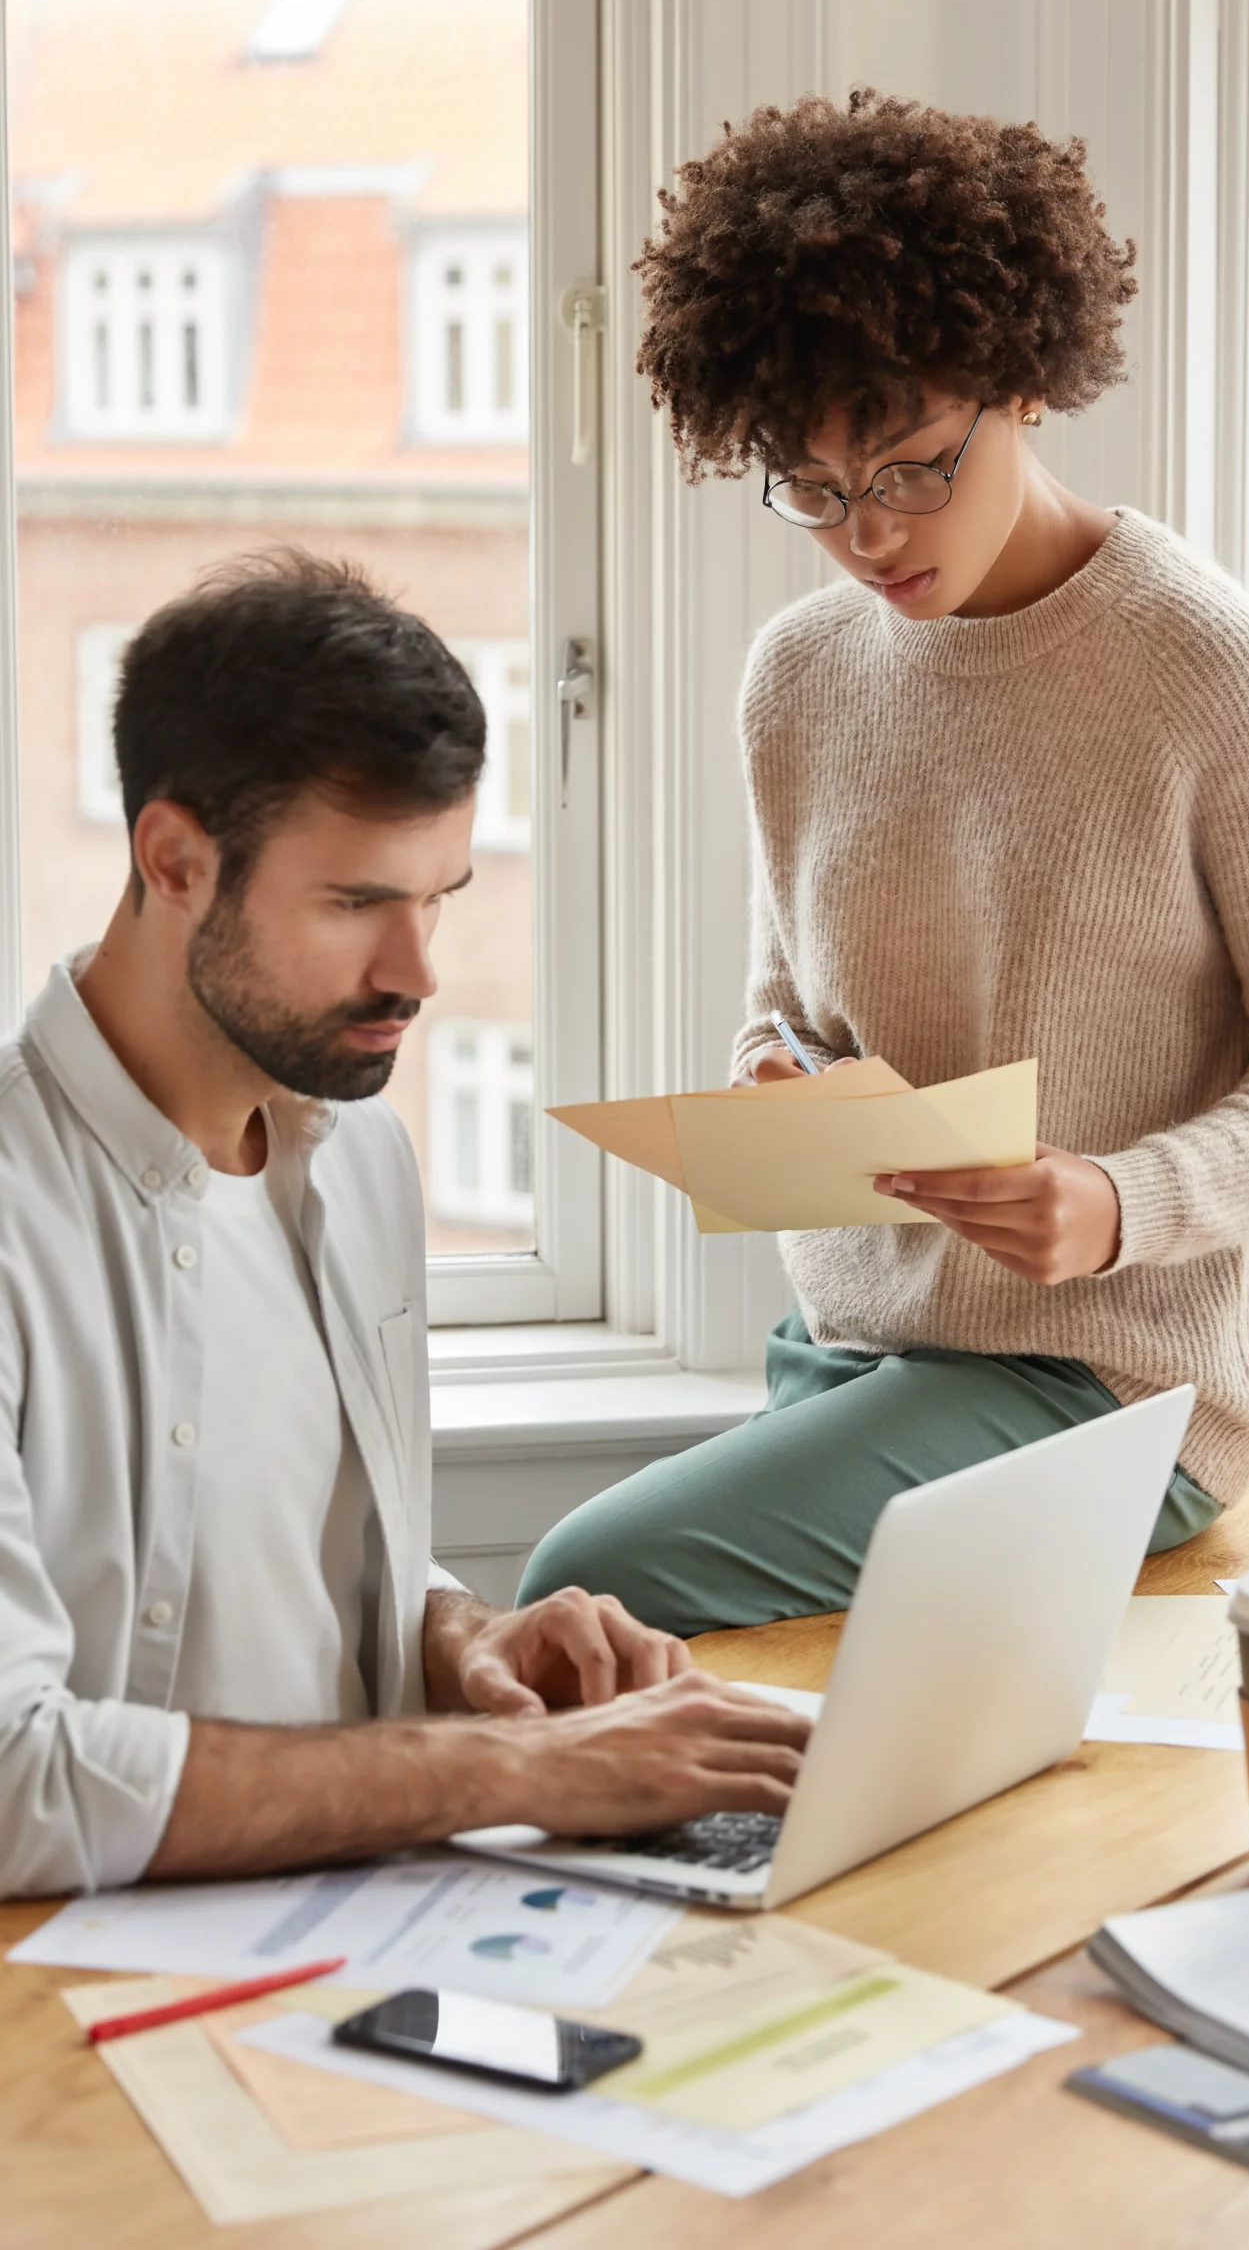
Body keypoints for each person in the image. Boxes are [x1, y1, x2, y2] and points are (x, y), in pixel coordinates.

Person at [519, 90, 1249, 1635]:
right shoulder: (798, 677)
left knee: (582, 1586)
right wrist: (777, 1080)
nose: (868, 533)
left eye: (915, 466)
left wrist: (1117, 1203)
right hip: (851, 1350)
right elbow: (789, 1008)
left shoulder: (1199, 666)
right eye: (813, 488)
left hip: (1107, 1382)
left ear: (1022, 383)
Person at [0, 552, 808, 1900]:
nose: (418, 972)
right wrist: (524, 1769)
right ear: (175, 860)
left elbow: (278, 1554)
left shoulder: (358, 1154)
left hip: (365, 1922)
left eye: (439, 898)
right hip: (83, 1981)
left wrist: (460, 1637)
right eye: (358, 903)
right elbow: (14, 1780)